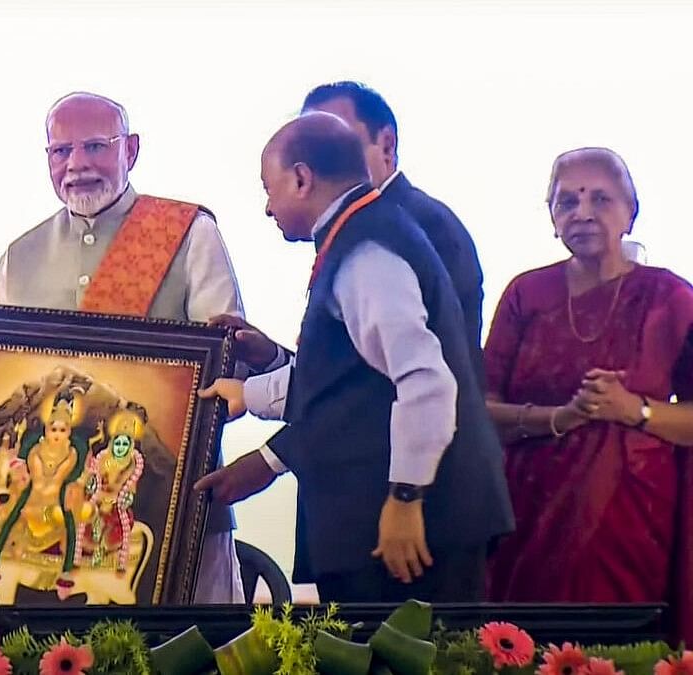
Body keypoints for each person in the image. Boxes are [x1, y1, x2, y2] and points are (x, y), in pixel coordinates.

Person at [0, 91, 251, 603]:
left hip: (173, 500)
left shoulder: (188, 234)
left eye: (96, 147)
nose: (77, 165)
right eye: (61, 152)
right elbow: (6, 379)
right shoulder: (19, 255)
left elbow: (231, 371)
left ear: (133, 150)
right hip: (49, 520)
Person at [197, 112, 513, 602]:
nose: (266, 207)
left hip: (412, 528)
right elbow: (352, 377)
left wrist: (406, 498)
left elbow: (425, 381)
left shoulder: (367, 250)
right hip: (381, 524)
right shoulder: (359, 233)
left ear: (301, 178)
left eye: (269, 187)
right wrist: (248, 394)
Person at [482, 147, 693, 645]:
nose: (582, 212)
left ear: (630, 210)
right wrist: (560, 417)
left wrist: (634, 410)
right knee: (525, 648)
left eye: (600, 198)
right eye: (566, 201)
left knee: (623, 652)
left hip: (632, 521)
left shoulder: (672, 299)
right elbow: (478, 411)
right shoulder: (525, 295)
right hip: (527, 515)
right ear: (552, 217)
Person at [216, 81, 484, 383]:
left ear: (386, 145)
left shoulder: (417, 227)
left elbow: (393, 387)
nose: (316, 164)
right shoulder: (357, 228)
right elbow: (343, 379)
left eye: (335, 142)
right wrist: (271, 358)